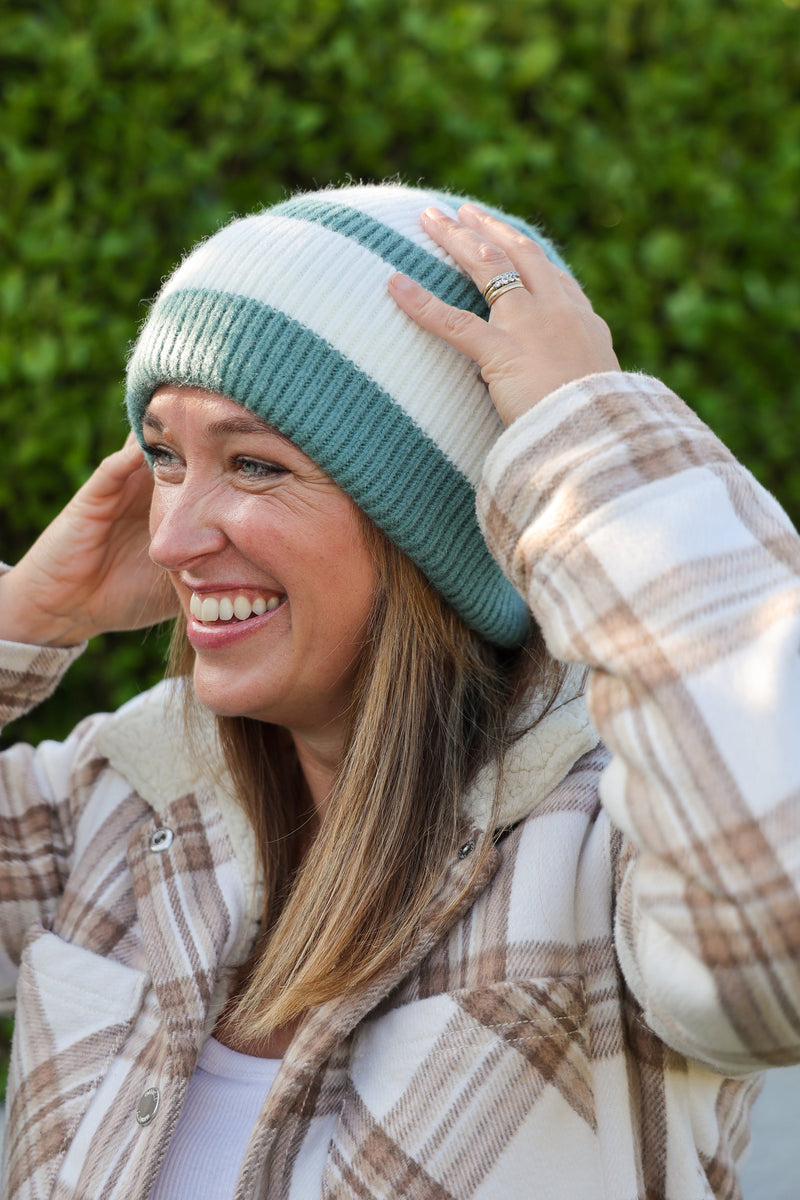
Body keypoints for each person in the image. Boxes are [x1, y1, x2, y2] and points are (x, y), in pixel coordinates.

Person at [0, 182, 798, 1200]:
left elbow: (777, 915)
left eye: (251, 463)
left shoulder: (600, 851)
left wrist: (584, 439)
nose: (168, 539)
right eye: (165, 454)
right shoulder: (117, 804)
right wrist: (27, 618)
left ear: (429, 522)